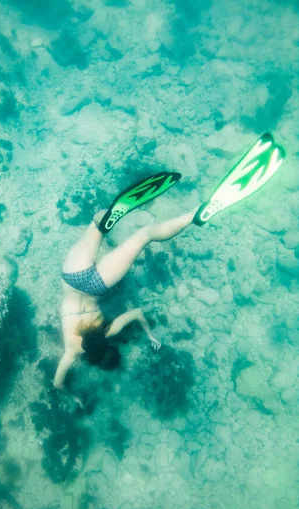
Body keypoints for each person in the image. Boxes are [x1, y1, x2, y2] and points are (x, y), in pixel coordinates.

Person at [53, 133, 284, 390]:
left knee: (145, 235)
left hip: (97, 285)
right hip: (73, 276)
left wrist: (150, 334)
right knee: (97, 224)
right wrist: (67, 390)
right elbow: (57, 383)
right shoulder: (71, 352)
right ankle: (105, 221)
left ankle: (196, 215)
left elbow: (137, 313)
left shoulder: (109, 333)